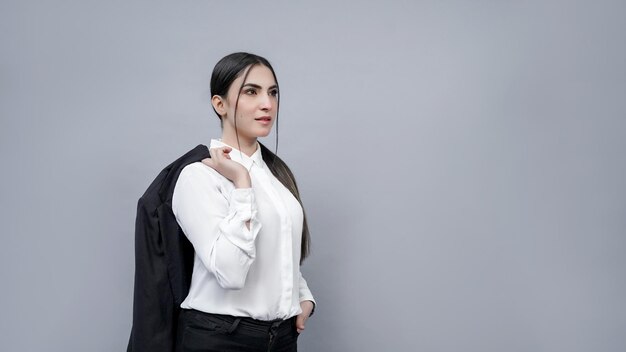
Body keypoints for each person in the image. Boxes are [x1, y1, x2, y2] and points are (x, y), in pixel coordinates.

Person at [172, 52, 315, 352]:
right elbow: (231, 273)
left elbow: (279, 248)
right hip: (221, 338)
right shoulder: (197, 177)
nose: (268, 104)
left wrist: (302, 297)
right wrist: (241, 183)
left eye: (272, 92)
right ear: (219, 104)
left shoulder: (276, 176)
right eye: (251, 91)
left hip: (282, 338)